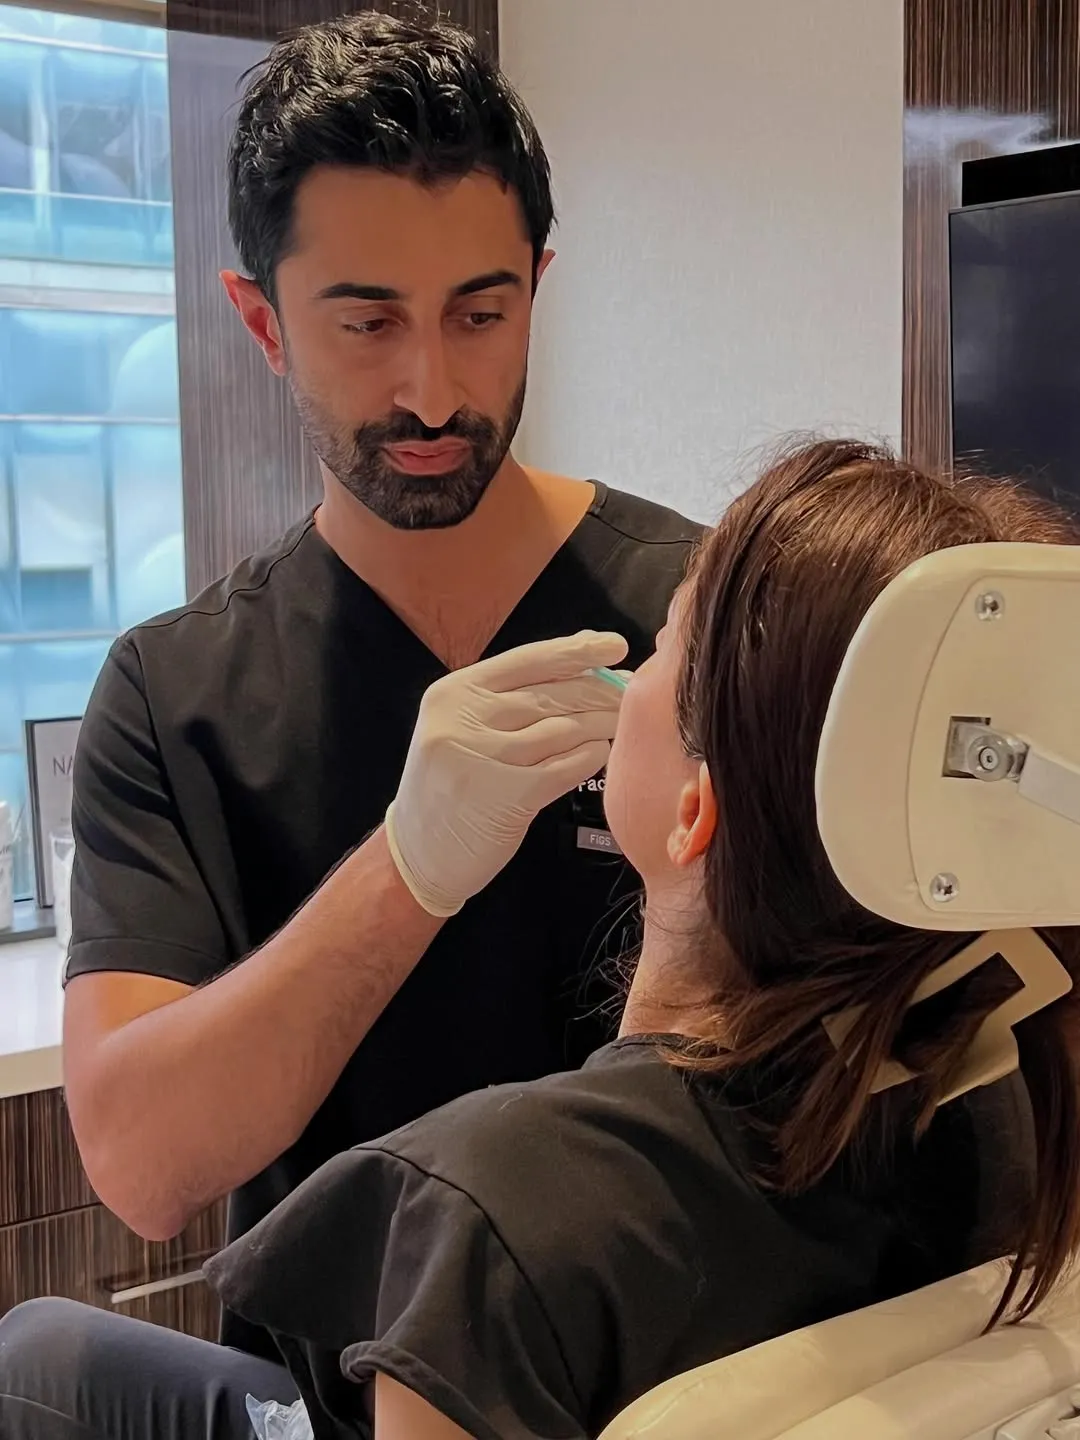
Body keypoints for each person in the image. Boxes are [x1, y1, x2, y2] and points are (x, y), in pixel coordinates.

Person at [0, 11, 698, 1439]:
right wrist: (409, 868)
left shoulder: (697, 620)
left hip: (681, 1382)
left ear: (537, 292)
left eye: (481, 314)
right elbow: (138, 1160)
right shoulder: (175, 694)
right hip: (340, 1398)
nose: (432, 389)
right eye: (368, 321)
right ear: (261, 319)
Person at [199, 442, 1080, 1437]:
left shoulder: (497, 1222)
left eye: (663, 638)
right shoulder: (1017, 1108)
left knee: (42, 1356)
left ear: (696, 809)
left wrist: (406, 857)